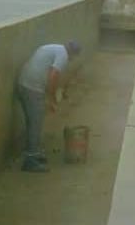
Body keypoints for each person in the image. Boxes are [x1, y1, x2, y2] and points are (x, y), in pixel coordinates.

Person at [16, 40, 82, 172]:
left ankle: (34, 152)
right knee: (35, 123)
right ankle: (30, 161)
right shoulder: (63, 55)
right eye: (73, 58)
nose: (71, 60)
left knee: (34, 121)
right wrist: (52, 98)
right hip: (32, 88)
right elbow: (53, 76)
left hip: (24, 83)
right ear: (73, 54)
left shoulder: (53, 48)